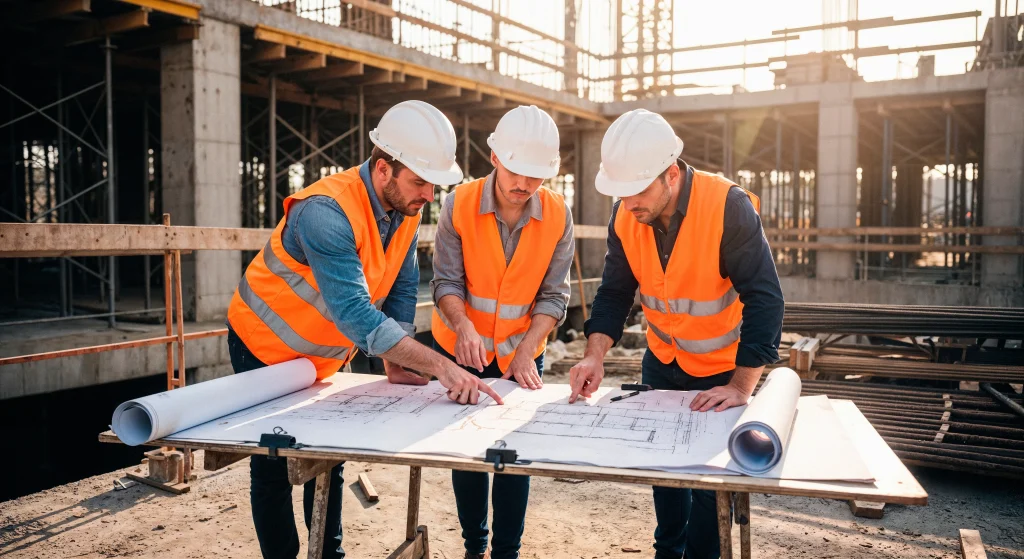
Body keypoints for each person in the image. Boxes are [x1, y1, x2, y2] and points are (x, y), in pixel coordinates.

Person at [225, 100, 503, 559]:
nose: (428, 195)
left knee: (330, 458)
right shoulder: (324, 211)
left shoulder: (407, 208)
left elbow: (400, 284)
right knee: (273, 465)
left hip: (320, 356)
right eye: (419, 182)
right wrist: (440, 366)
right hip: (263, 345)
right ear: (382, 170)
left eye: (433, 183)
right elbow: (355, 312)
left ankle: (327, 553)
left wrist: (395, 356)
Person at [568, 108, 784, 559]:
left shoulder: (728, 206)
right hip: (662, 364)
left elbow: (766, 299)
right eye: (621, 193)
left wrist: (742, 386)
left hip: (720, 372)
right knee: (665, 480)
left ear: (671, 173)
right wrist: (594, 355)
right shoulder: (628, 215)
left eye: (638, 192)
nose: (629, 204)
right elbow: (614, 293)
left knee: (708, 494)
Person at [430, 105, 574, 559]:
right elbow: (446, 282)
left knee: (515, 456)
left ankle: (506, 552)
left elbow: (554, 297)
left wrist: (527, 351)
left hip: (524, 350)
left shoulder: (557, 214)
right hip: (462, 345)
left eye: (536, 176)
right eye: (516, 171)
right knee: (468, 452)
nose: (524, 185)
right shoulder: (458, 203)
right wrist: (464, 327)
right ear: (494, 157)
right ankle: (476, 548)